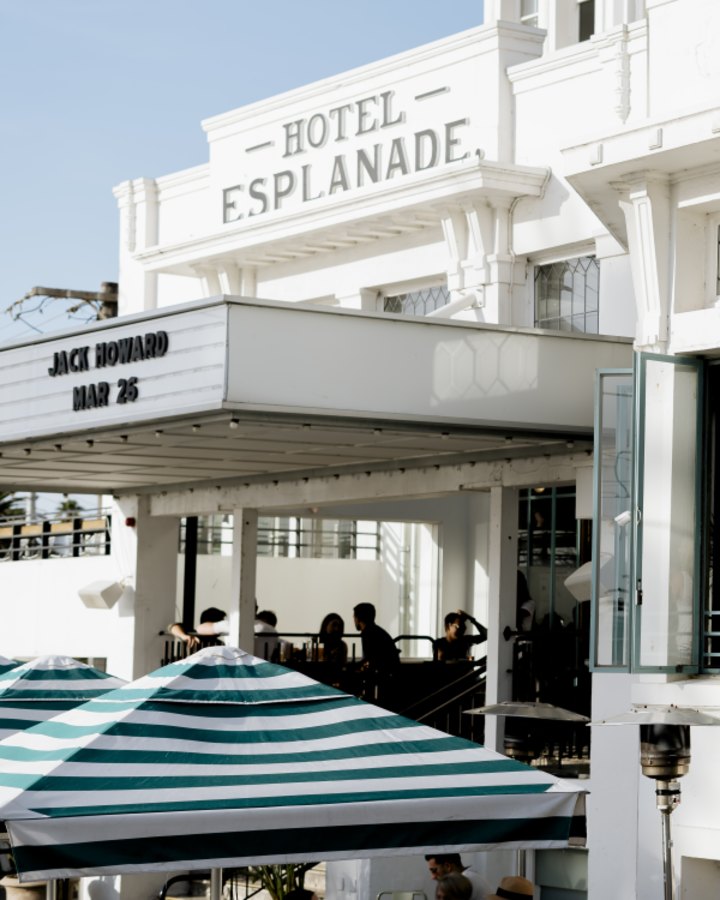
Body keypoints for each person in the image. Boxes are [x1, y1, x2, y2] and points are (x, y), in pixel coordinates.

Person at [353, 602, 400, 672]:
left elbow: (370, 659)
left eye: (354, 617)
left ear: (358, 618)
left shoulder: (368, 633)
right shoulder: (377, 631)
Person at [425, 854, 490, 900]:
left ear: (447, 866)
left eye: (434, 870)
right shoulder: (471, 876)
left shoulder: (465, 881)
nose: (433, 877)